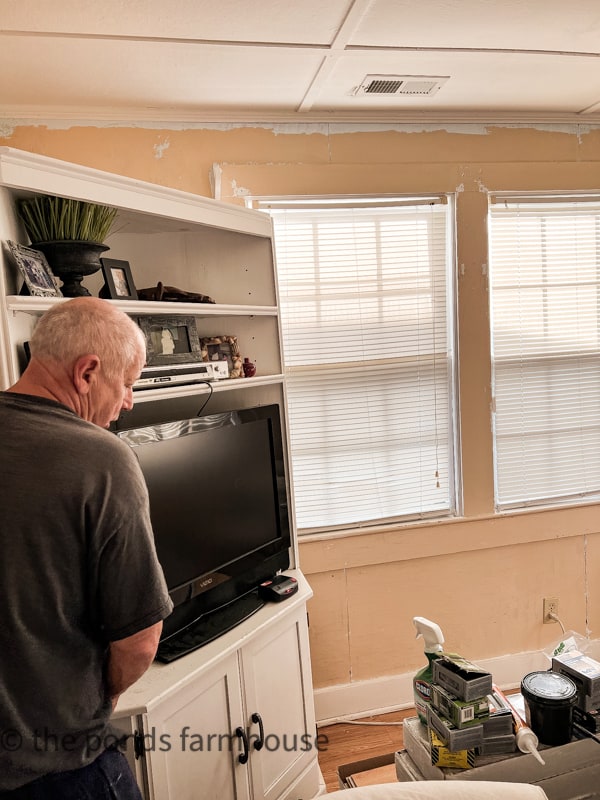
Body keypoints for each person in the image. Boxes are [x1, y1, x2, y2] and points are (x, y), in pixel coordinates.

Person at [0, 297, 173, 798]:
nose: (128, 402)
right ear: (88, 372)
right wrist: (107, 695)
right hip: (59, 768)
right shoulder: (103, 460)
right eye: (128, 383)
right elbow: (140, 641)